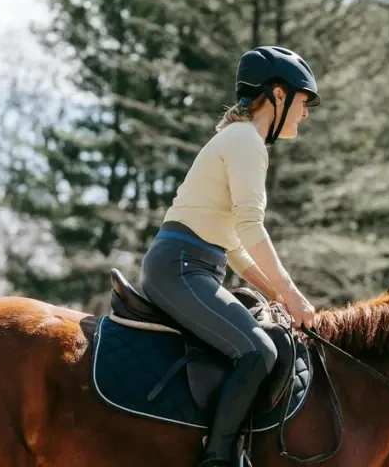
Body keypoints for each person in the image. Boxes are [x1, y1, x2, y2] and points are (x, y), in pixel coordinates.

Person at [138, 46, 320, 466]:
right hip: (182, 267)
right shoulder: (246, 142)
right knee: (258, 351)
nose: (304, 113)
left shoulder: (239, 140)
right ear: (278, 95)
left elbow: (235, 247)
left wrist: (274, 293)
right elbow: (250, 227)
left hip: (191, 264)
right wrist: (292, 294)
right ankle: (217, 460)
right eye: (302, 102)